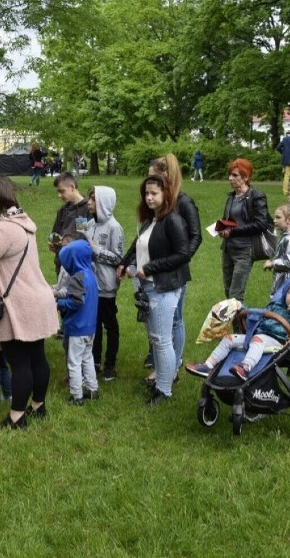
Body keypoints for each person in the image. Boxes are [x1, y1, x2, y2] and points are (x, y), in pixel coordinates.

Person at [0, 178, 58, 429]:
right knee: (37, 357)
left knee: (20, 363)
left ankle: (17, 417)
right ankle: (38, 406)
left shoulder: (4, 228)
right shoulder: (22, 223)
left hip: (20, 305)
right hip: (36, 298)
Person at [118, 173, 192, 406]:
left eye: (154, 193)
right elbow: (139, 246)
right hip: (148, 286)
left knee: (161, 339)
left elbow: (183, 254)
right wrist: (126, 263)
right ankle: (161, 380)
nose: (149, 198)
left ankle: (164, 389)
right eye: (146, 194)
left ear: (166, 194)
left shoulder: (173, 220)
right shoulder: (151, 219)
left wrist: (150, 268)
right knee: (156, 337)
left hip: (165, 288)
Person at [141, 154, 203, 384]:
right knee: (158, 322)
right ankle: (162, 364)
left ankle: (172, 366)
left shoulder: (183, 202)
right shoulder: (157, 201)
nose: (150, 183)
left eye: (154, 177)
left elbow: (196, 237)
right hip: (155, 270)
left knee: (175, 319)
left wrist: (179, 260)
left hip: (173, 272)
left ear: (168, 175)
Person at [186, 278, 290, 381]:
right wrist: (241, 307)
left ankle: (245, 367)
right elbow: (260, 314)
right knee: (229, 338)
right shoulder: (276, 305)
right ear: (285, 293)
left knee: (257, 340)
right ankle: (208, 366)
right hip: (259, 335)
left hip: (281, 341)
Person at [84, 186, 124, 381]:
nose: (88, 203)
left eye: (93, 199)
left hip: (106, 285)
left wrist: (95, 249)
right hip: (91, 284)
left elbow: (118, 258)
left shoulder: (114, 227)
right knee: (95, 324)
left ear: (104, 203)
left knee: (110, 324)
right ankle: (95, 360)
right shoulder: (90, 224)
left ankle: (110, 364)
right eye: (89, 199)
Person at [219, 158, 270, 302]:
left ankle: (243, 325)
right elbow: (227, 220)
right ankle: (239, 324)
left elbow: (261, 224)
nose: (230, 178)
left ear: (246, 177)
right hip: (228, 249)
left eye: (235, 175)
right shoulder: (231, 197)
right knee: (228, 292)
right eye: (230, 175)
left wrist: (233, 231)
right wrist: (221, 228)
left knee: (235, 295)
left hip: (245, 250)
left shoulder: (256, 196)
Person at [56, 239, 100, 405]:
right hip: (90, 328)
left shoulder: (77, 277)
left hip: (77, 327)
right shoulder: (90, 274)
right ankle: (92, 388)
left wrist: (58, 304)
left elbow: (76, 302)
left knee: (74, 362)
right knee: (87, 357)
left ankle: (77, 396)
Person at [49, 172, 90, 275]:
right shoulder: (62, 211)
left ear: (72, 187)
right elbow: (55, 234)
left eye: (61, 191)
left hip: (78, 266)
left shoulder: (87, 209)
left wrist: (66, 243)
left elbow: (83, 237)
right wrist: (53, 243)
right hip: (61, 265)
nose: (59, 195)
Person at [263, 203, 290, 297]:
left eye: (278, 217)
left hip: (289, 280)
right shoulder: (288, 236)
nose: (274, 220)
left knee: (282, 304)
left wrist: (272, 263)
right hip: (286, 277)